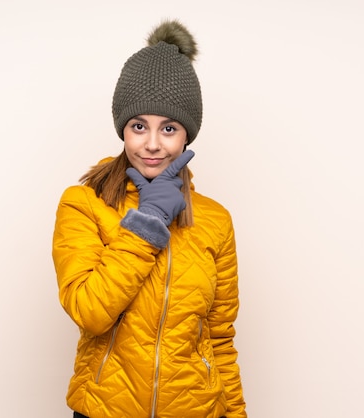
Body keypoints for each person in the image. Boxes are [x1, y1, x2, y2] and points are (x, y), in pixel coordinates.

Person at [52, 19, 247, 418]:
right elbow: (89, 311)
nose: (153, 144)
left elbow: (220, 338)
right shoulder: (84, 203)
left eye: (169, 128)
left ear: (186, 136)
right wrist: (148, 221)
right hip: (104, 411)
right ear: (123, 130)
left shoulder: (215, 220)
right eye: (139, 126)